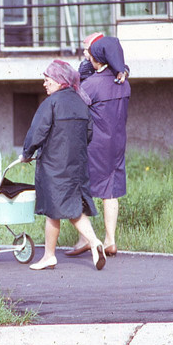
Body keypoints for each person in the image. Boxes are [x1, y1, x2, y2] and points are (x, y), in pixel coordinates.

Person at [21, 59, 106, 271]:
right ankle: (95, 242)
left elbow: (37, 132)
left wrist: (26, 153)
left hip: (54, 165)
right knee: (72, 208)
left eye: (47, 79)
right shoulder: (80, 102)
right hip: (76, 165)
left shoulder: (51, 104)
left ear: (59, 81)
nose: (44, 83)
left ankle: (49, 256)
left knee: (53, 210)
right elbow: (88, 134)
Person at [67, 36, 131, 258]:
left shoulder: (91, 85)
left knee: (83, 186)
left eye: (91, 55)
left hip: (95, 144)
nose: (89, 58)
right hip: (117, 142)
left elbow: (76, 108)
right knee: (110, 190)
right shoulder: (123, 81)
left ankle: (86, 238)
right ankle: (110, 240)